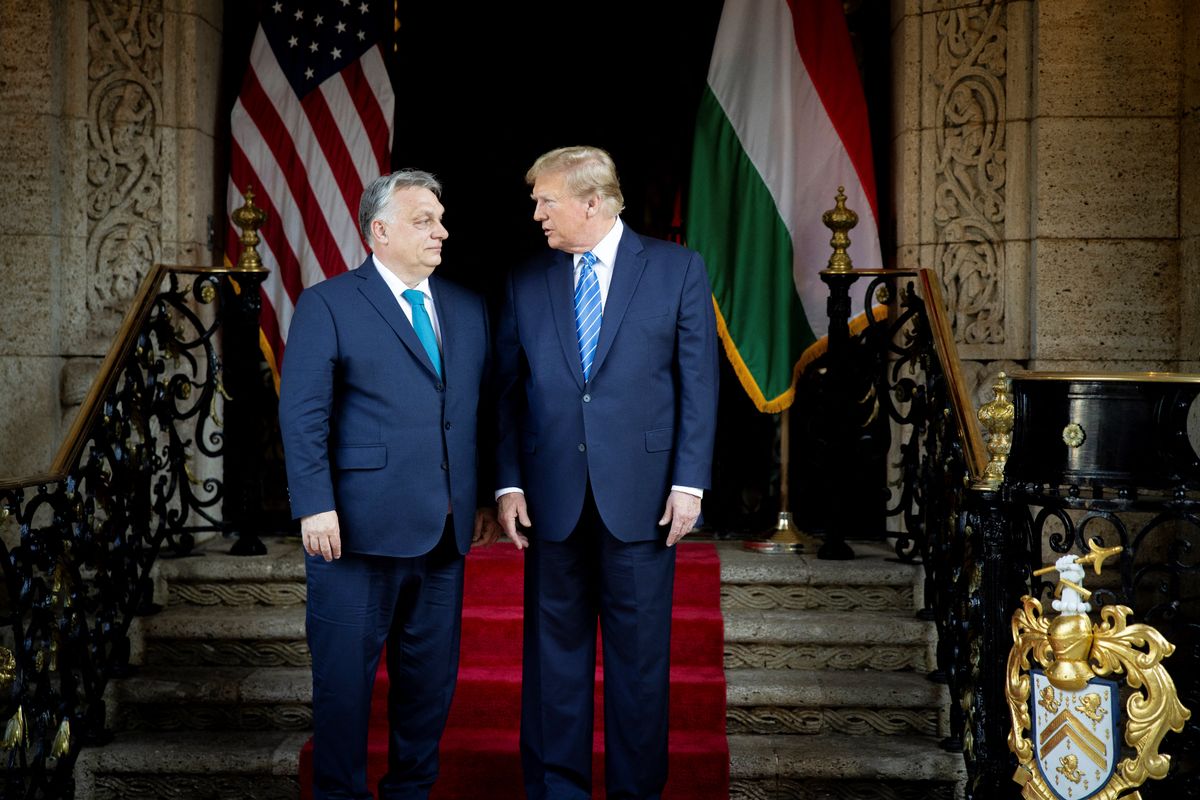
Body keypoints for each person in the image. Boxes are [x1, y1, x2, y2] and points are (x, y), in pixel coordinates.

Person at [494, 145, 719, 799]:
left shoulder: (677, 270)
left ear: (591, 203)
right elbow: (509, 393)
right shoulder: (525, 279)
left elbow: (697, 386)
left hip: (646, 502)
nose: (536, 213)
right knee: (552, 666)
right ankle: (558, 789)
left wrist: (689, 483)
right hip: (551, 501)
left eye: (545, 200)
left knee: (640, 667)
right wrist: (508, 482)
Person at [279, 169, 497, 799]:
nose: (441, 231)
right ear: (379, 231)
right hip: (352, 534)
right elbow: (303, 415)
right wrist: (314, 504)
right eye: (424, 220)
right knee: (344, 692)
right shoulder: (328, 304)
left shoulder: (465, 306)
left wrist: (482, 497)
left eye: (441, 218)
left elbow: (476, 411)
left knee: (428, 692)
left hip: (445, 534)